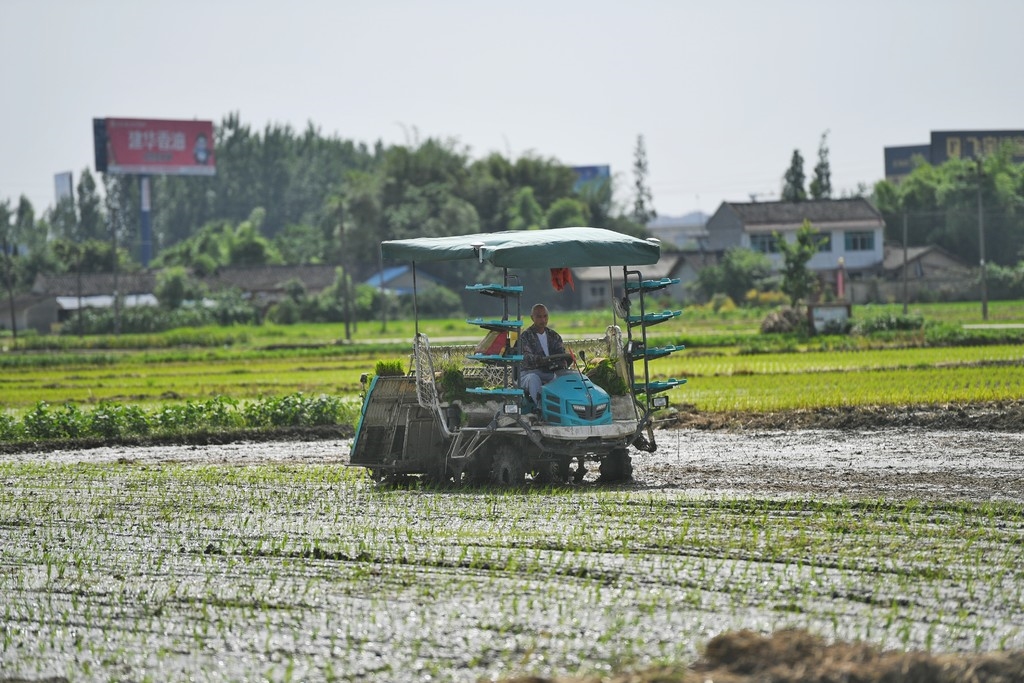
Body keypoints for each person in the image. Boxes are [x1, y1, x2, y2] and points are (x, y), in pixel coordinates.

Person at [513, 303, 569, 406]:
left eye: (545, 316)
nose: (543, 320)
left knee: (566, 377)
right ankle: (541, 408)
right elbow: (527, 358)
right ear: (532, 318)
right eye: (539, 317)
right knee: (533, 378)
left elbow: (561, 354)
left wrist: (564, 360)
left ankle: (567, 406)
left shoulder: (554, 336)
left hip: (550, 372)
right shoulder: (525, 337)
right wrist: (544, 360)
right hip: (528, 373)